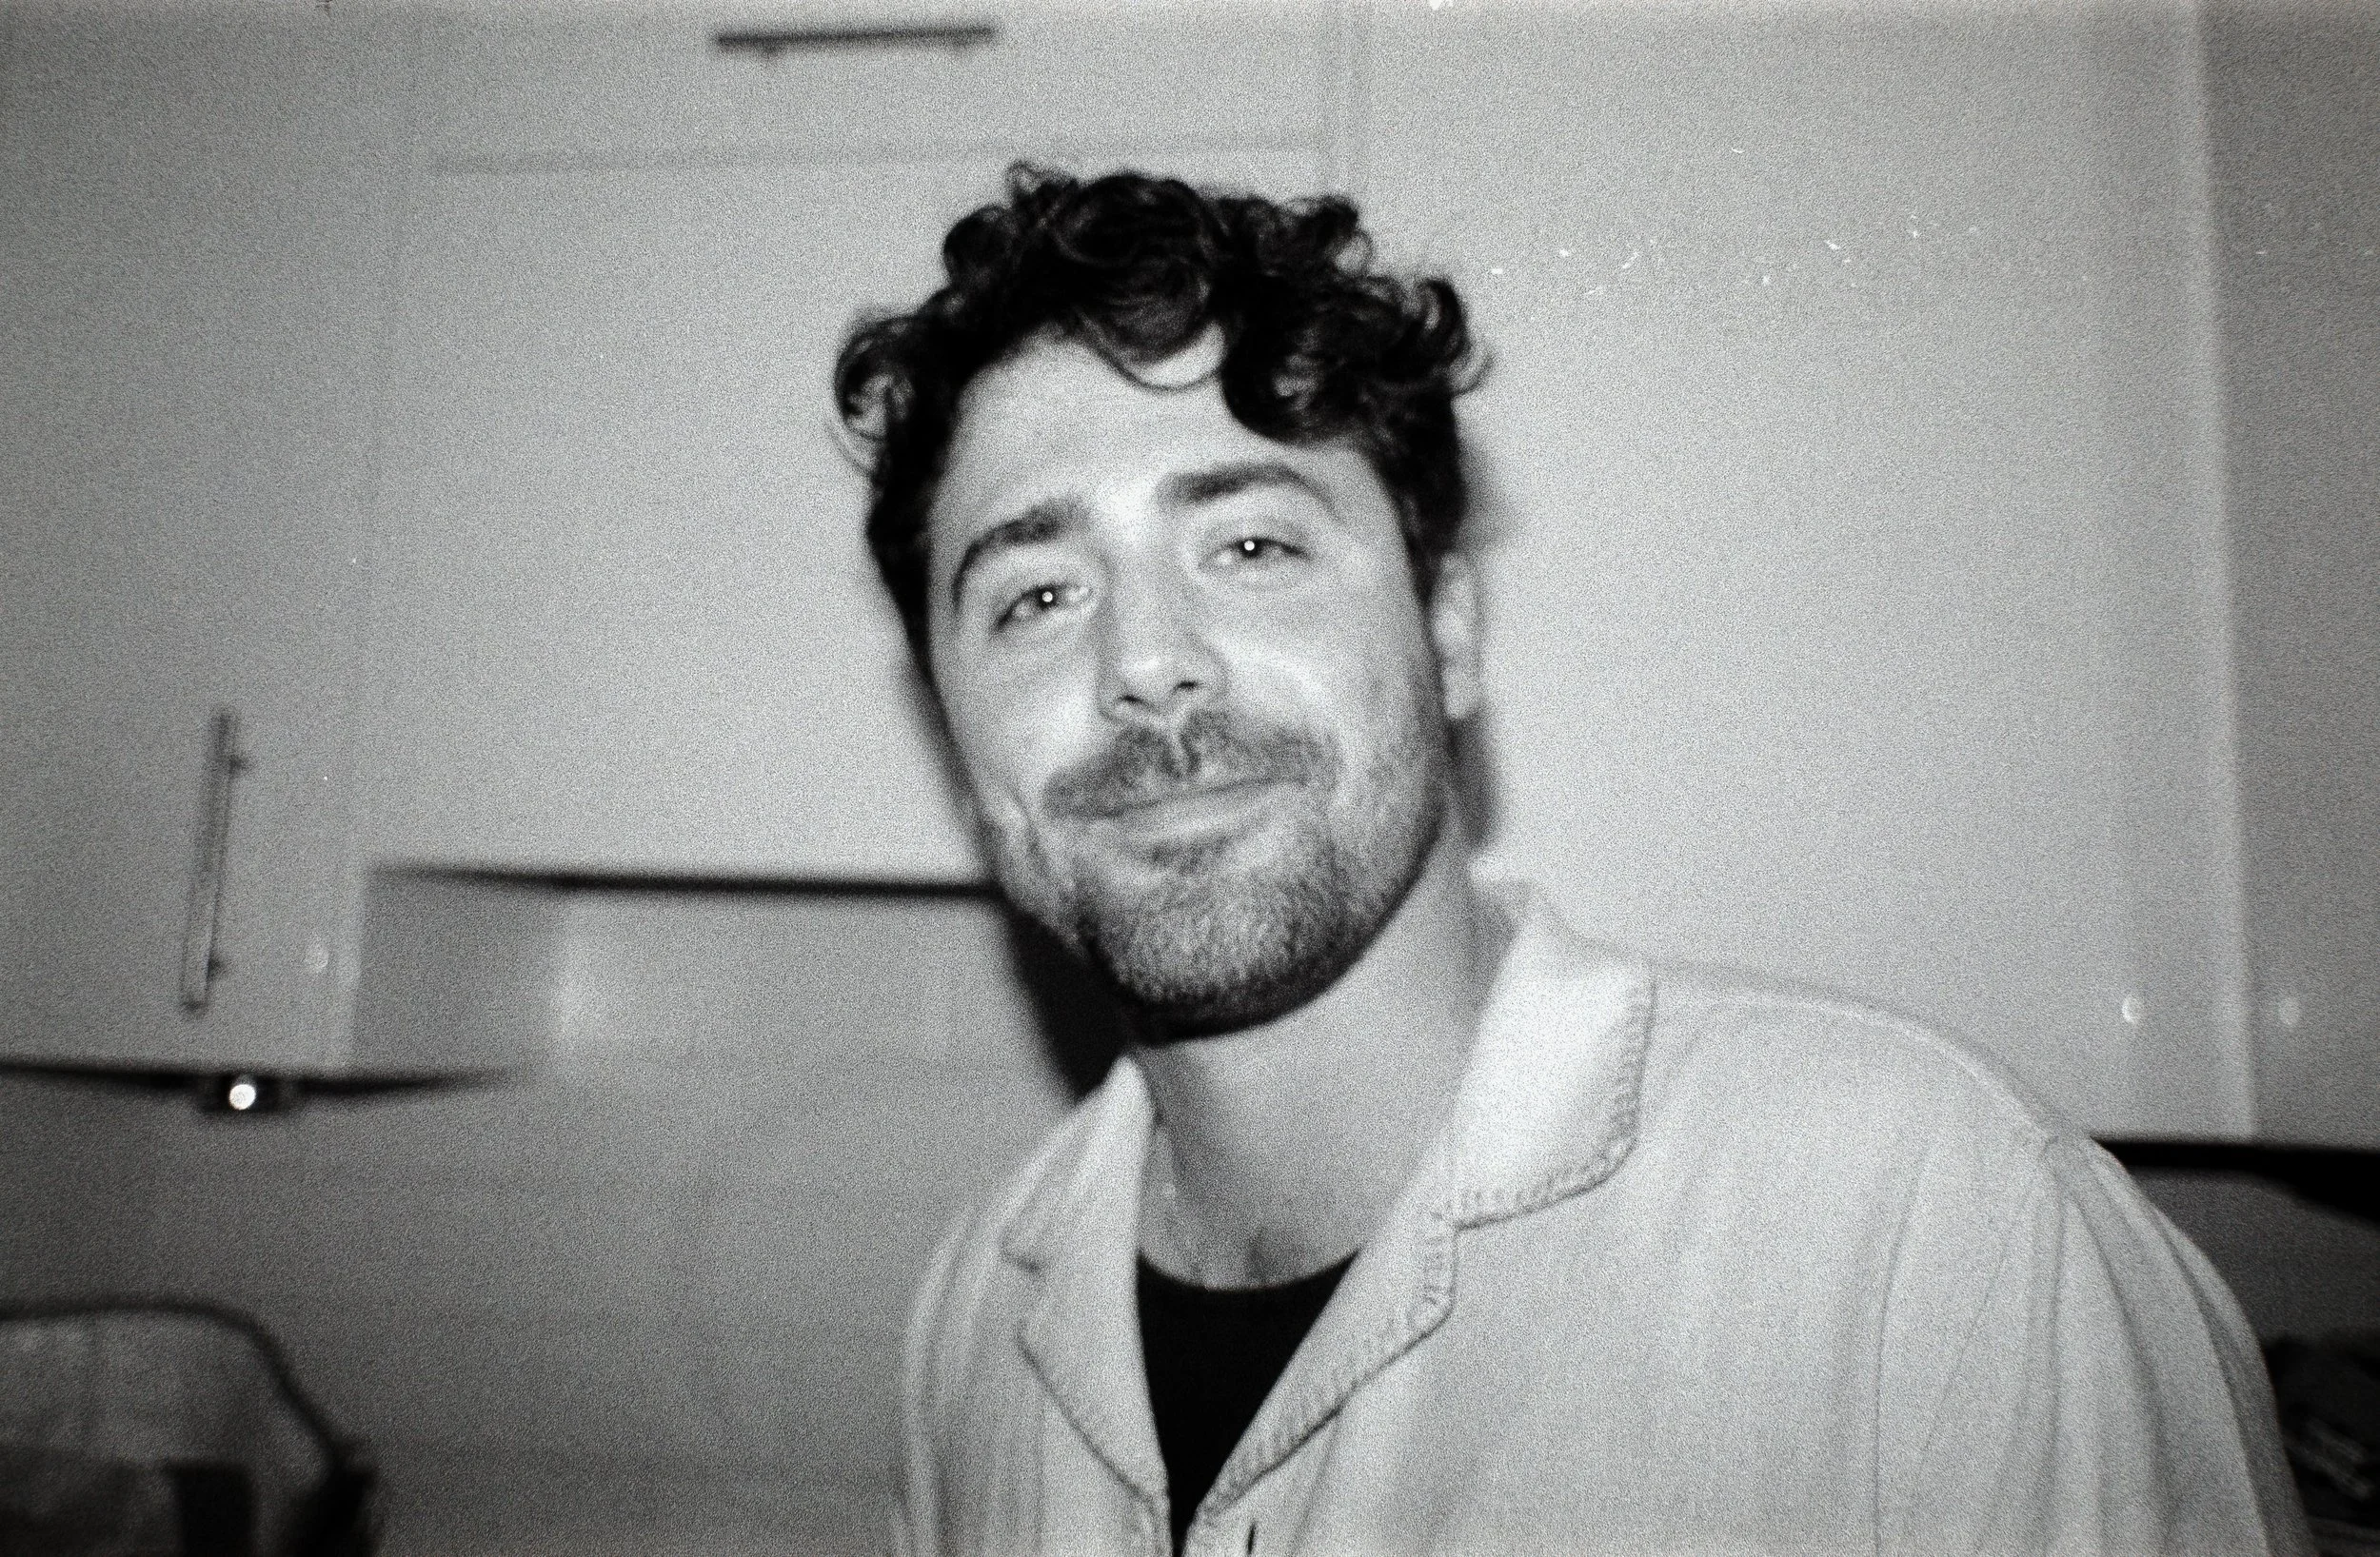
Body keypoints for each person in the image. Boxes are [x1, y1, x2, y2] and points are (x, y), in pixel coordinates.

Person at [835, 165, 2311, 1557]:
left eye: (1254, 549)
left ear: (1451, 632)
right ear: (960, 739)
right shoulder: (966, 1318)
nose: (1146, 665)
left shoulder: (1942, 1241)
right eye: (1036, 593)